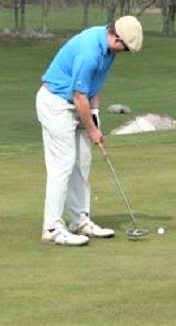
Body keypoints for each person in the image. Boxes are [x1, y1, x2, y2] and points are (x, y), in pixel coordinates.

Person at [35, 16, 143, 246]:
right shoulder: (89, 50)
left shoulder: (109, 51)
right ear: (116, 36)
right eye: (124, 46)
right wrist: (92, 130)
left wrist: (95, 118)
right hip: (56, 103)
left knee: (82, 162)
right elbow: (78, 94)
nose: (123, 52)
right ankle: (52, 227)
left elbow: (95, 86)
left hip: (78, 104)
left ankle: (79, 220)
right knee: (62, 165)